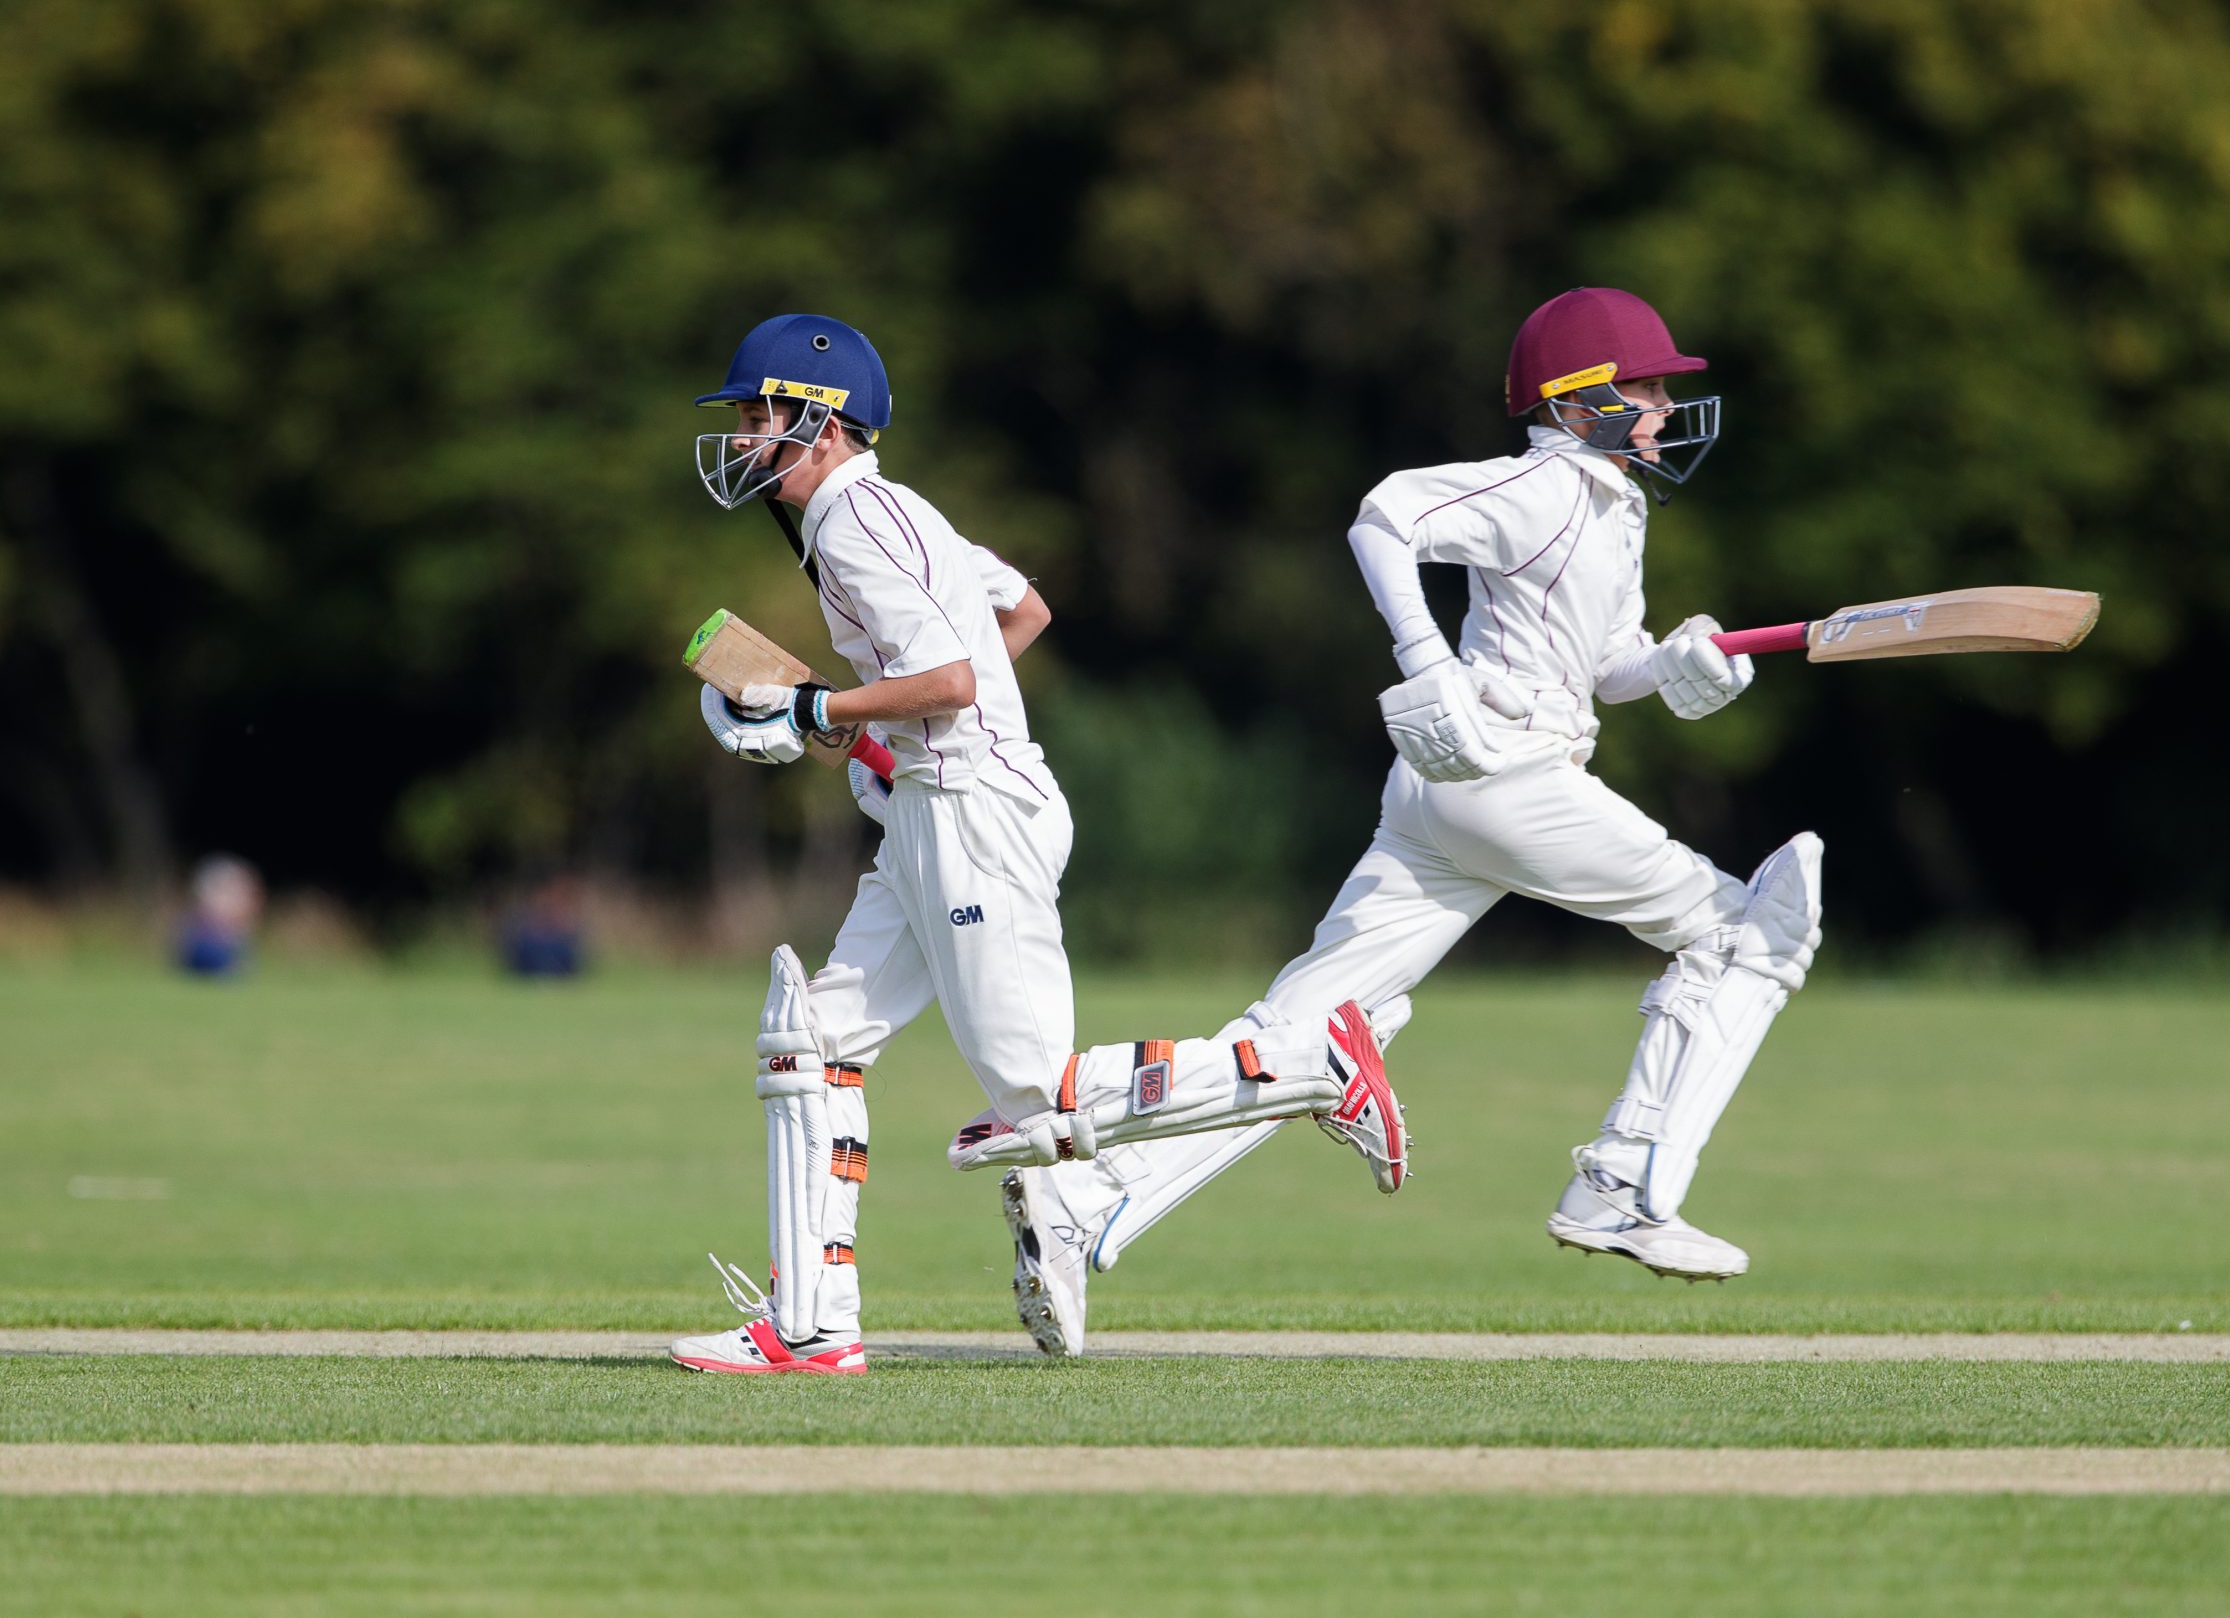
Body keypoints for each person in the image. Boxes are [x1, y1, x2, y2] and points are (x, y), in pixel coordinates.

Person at [1005, 288, 1822, 1356]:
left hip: (1454, 794)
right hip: (1507, 773)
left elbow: (1605, 663)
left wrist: (1676, 662)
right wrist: (1426, 659)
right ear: (1578, 399)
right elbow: (1385, 515)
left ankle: (1084, 1193)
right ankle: (1622, 1183)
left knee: (1309, 1028)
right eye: (1650, 386)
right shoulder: (1540, 485)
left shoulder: (1613, 502)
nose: (1668, 406)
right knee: (1750, 930)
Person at [669, 314, 1406, 1376]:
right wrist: (881, 735)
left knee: (1039, 1103)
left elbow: (953, 679)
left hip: (971, 812)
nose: (741, 438)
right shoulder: (889, 510)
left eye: (756, 415)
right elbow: (1021, 610)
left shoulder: (857, 521)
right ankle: (813, 1326)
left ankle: (1310, 1060)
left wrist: (823, 711)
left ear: (821, 424)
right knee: (813, 1041)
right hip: (935, 805)